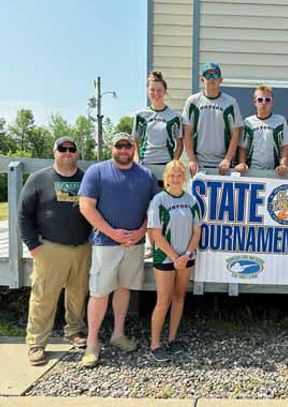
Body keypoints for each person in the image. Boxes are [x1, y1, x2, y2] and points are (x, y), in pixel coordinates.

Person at [79, 133, 159, 368]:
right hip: (106, 244)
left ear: (134, 148)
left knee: (124, 289)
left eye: (128, 146)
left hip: (134, 244)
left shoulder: (145, 175)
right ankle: (92, 342)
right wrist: (113, 233)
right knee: (100, 292)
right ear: (111, 147)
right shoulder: (97, 171)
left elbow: (153, 210)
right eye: (119, 145)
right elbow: (86, 207)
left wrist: (142, 230)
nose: (123, 150)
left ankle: (118, 334)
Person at [19, 137, 92, 366]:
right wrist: (32, 244)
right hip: (50, 247)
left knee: (78, 293)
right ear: (55, 152)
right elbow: (24, 214)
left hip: (82, 246)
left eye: (72, 149)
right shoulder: (39, 179)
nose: (67, 152)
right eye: (63, 149)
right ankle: (37, 342)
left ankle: (75, 330)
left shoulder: (86, 179)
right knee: (44, 295)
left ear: (78, 153)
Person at [147, 160, 202, 362]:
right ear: (166, 177)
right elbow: (156, 234)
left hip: (186, 257)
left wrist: (186, 254)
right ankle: (155, 344)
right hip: (165, 257)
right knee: (163, 300)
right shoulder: (158, 201)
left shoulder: (191, 200)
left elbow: (197, 231)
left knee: (179, 297)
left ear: (184, 178)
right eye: (172, 175)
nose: (176, 178)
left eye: (179, 175)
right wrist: (174, 257)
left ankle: (172, 338)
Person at [182, 61, 243, 175]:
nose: (211, 79)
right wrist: (192, 159)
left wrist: (227, 159)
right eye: (208, 75)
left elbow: (235, 134)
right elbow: (187, 133)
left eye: (215, 75)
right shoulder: (193, 102)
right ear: (202, 79)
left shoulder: (230, 103)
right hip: (199, 165)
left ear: (220, 80)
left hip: (224, 166)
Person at [234, 84, 288, 175]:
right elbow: (242, 147)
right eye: (260, 100)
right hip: (251, 171)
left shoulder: (280, 121)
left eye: (267, 100)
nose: (264, 102)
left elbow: (286, 146)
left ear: (272, 103)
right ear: (255, 102)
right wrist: (242, 163)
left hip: (275, 172)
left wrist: (283, 165)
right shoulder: (248, 122)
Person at [132, 71, 183, 168]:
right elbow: (135, 142)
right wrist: (137, 160)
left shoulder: (175, 117)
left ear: (165, 91)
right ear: (147, 91)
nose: (155, 93)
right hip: (145, 164)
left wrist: (173, 163)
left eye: (159, 90)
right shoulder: (140, 115)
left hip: (167, 165)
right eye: (152, 90)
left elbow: (180, 145)